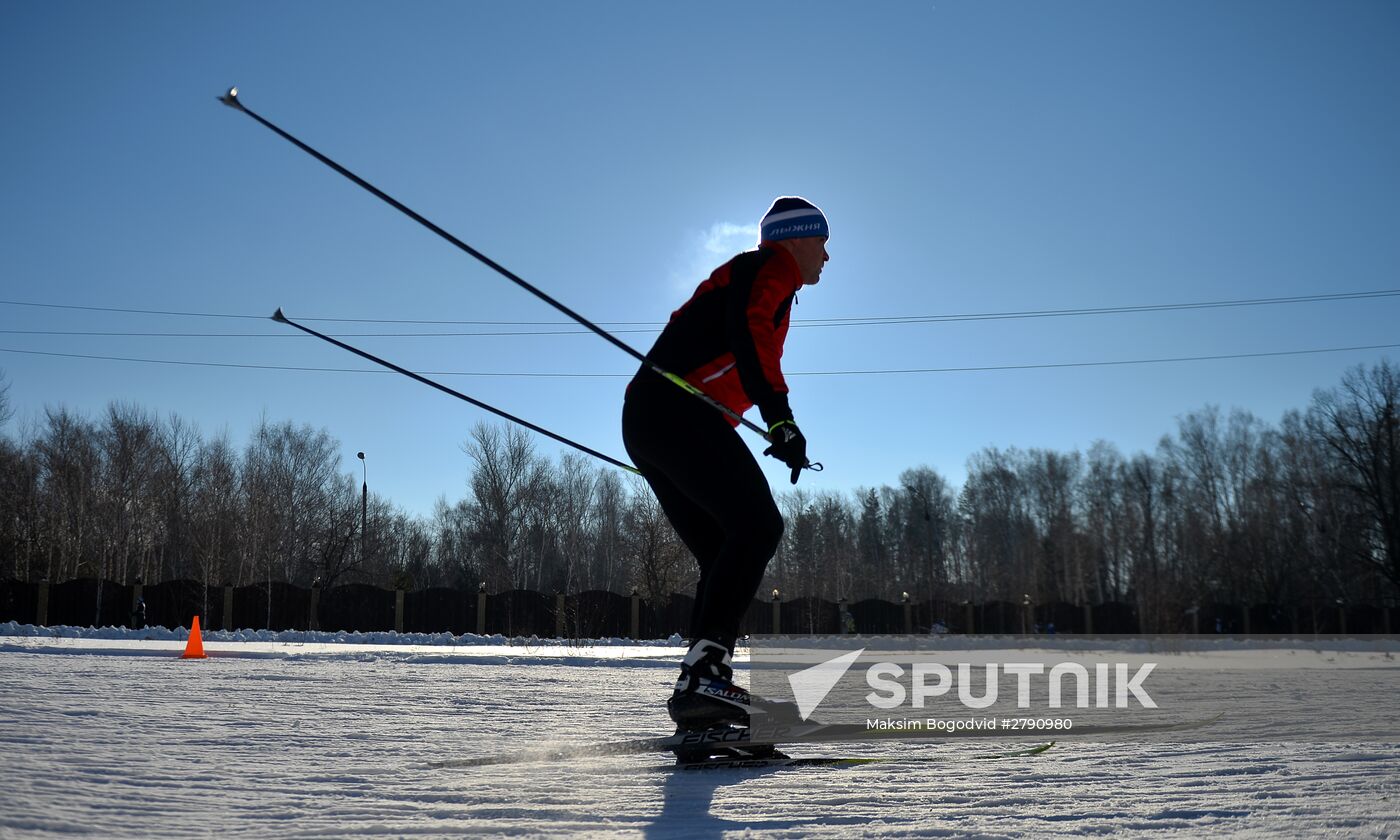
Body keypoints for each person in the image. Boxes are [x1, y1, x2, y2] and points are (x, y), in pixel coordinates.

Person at [622, 196, 829, 733]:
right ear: (797, 238)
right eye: (823, 242)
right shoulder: (769, 269)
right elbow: (749, 329)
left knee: (724, 548)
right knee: (758, 525)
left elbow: (737, 347)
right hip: (675, 410)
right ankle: (705, 678)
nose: (827, 257)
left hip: (652, 417)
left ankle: (700, 690)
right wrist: (780, 419)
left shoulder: (761, 274)